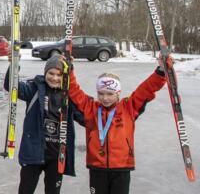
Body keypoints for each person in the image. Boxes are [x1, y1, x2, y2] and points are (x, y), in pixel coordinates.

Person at [67, 56, 167, 194]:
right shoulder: (91, 108)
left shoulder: (128, 107)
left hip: (122, 168)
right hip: (97, 168)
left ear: (118, 93)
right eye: (101, 94)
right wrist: (69, 70)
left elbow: (146, 89)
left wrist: (161, 71)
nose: (105, 98)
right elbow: (74, 91)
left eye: (110, 94)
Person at [4, 54, 82, 194]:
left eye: (59, 75)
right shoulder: (34, 89)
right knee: (25, 190)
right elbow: (11, 86)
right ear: (45, 72)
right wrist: (14, 65)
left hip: (57, 156)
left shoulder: (68, 96)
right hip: (33, 153)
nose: (54, 78)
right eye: (51, 73)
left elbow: (85, 117)